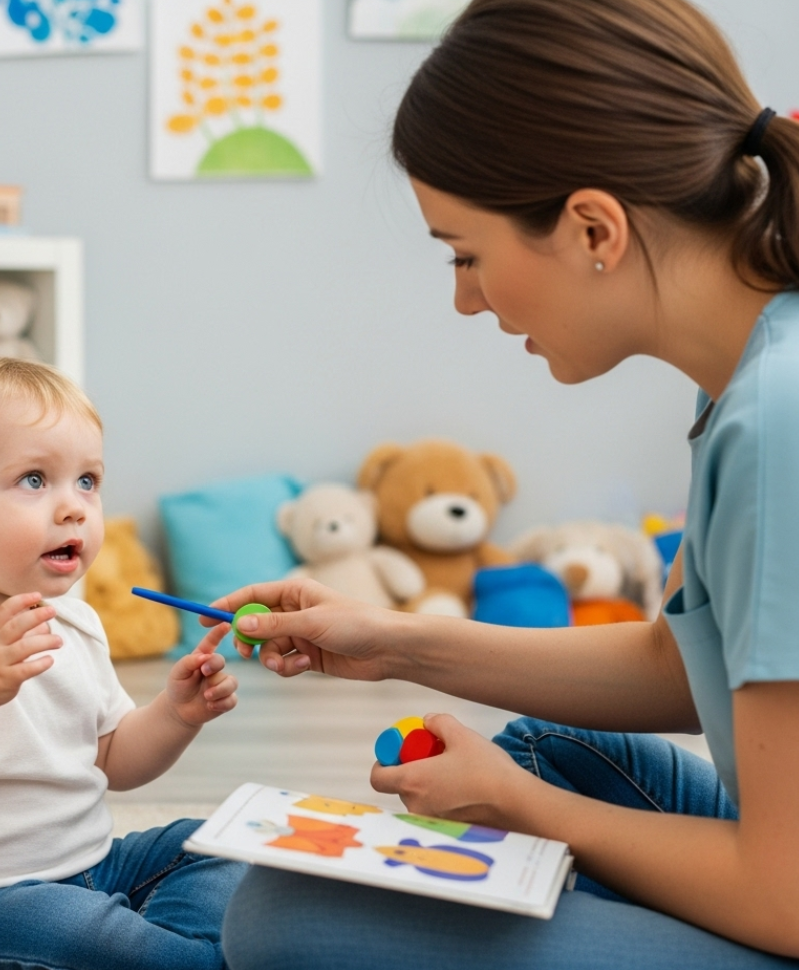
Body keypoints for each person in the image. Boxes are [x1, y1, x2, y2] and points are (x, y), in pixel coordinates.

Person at [217, 1, 799, 967]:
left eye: (467, 254)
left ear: (592, 228)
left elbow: (785, 894)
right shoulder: (751, 371)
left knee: (292, 918)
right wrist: (392, 640)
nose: (465, 298)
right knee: (540, 750)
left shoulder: (777, 420)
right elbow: (687, 665)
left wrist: (529, 812)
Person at [0, 356, 245, 970]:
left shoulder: (77, 624)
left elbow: (113, 759)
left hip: (93, 870)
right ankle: (174, 954)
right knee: (81, 934)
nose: (74, 508)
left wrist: (175, 713)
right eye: (34, 480)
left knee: (223, 849)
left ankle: (170, 954)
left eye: (87, 480)